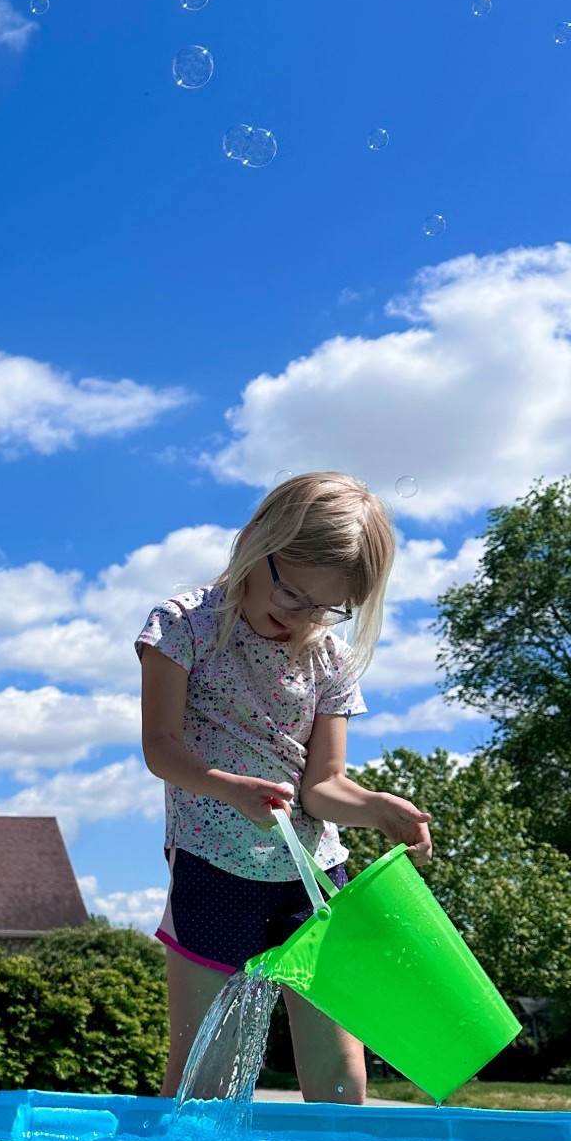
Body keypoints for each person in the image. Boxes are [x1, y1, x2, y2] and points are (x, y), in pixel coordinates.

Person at [137, 471, 433, 1106]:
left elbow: (323, 788)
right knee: (205, 1075)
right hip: (213, 867)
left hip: (313, 877)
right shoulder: (184, 626)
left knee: (338, 1071)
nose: (302, 620)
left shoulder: (328, 660)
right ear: (255, 543)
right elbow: (160, 749)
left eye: (327, 609)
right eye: (293, 596)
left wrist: (375, 808)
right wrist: (226, 788)